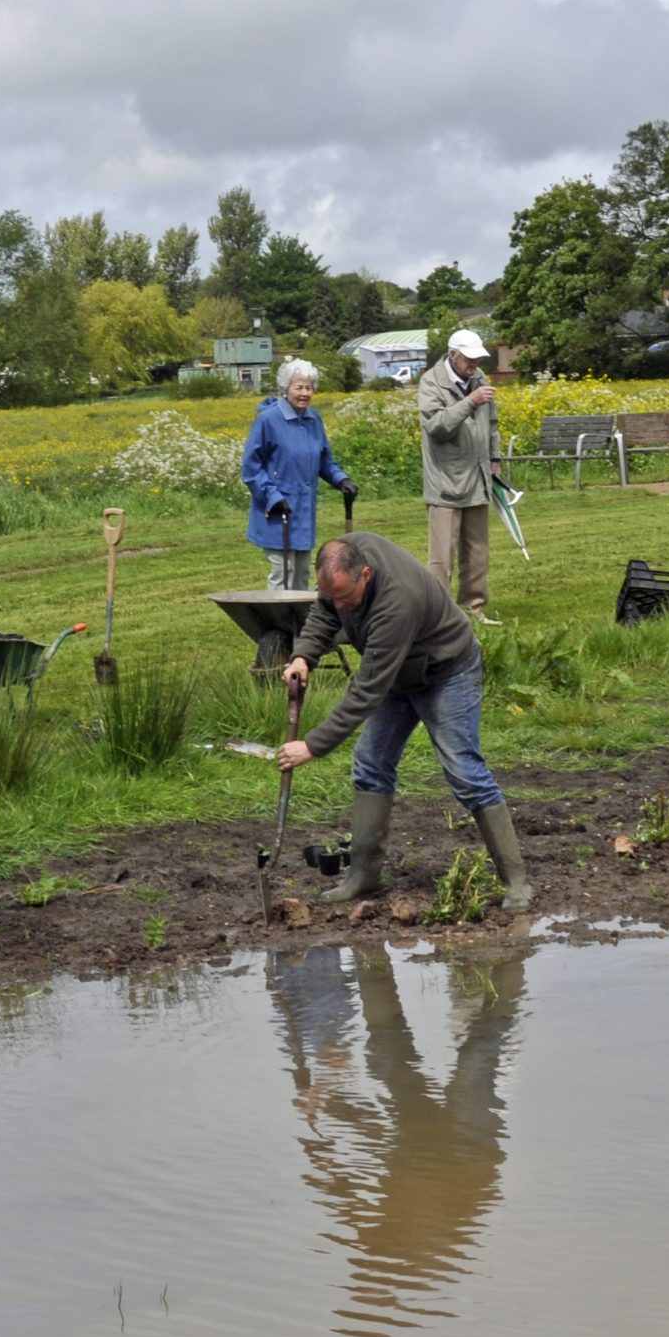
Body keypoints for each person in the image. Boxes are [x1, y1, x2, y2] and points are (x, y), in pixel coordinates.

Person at [277, 532, 531, 910]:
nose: (342, 606)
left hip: (446, 672)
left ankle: (516, 881)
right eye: (334, 596)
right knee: (370, 766)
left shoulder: (398, 600)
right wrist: (304, 656)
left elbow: (366, 690)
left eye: (347, 597)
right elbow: (326, 612)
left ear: (365, 573)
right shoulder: (341, 566)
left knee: (465, 773)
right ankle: (364, 877)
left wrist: (313, 745)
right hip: (397, 672)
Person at [242, 357, 356, 590]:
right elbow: (251, 466)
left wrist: (341, 479)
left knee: (302, 574)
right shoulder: (268, 420)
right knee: (283, 573)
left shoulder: (314, 420)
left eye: (309, 387)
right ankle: (278, 624)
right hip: (277, 512)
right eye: (299, 387)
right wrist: (272, 496)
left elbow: (325, 460)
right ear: (286, 389)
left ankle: (302, 626)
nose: (304, 393)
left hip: (303, 512)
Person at [417, 328, 504, 620]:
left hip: (478, 478)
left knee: (478, 552)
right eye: (469, 359)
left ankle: (473, 608)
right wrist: (469, 402)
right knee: (442, 557)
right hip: (445, 483)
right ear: (452, 355)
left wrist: (495, 457)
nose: (474, 365)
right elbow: (437, 427)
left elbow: (492, 424)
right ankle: (440, 617)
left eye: (477, 359)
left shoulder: (479, 380)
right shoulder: (431, 383)